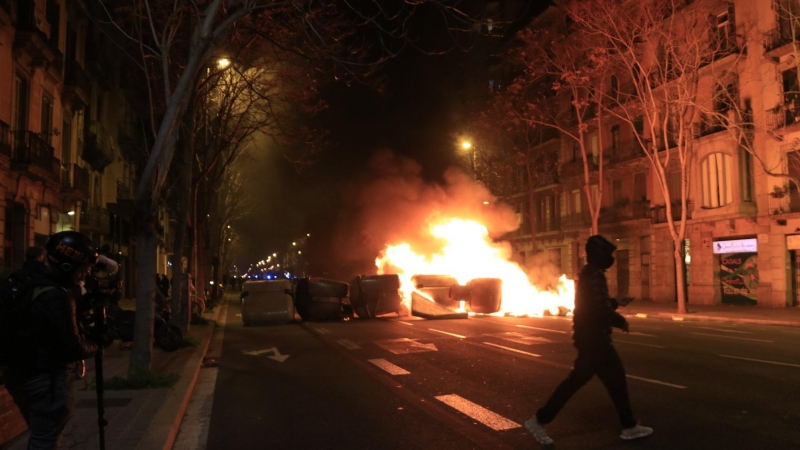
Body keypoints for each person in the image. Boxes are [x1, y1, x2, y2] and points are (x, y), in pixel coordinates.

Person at [524, 235, 653, 445]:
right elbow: (597, 309)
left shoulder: (590, 273)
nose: (611, 258)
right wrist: (620, 320)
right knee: (584, 382)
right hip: (594, 340)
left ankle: (629, 425)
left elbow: (594, 303)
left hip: (592, 338)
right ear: (599, 255)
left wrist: (615, 302)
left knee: (611, 381)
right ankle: (539, 420)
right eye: (608, 254)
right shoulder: (594, 275)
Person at [2, 232, 102, 450]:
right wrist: (96, 344)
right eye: (81, 270)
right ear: (67, 267)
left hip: (17, 374)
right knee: (45, 441)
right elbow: (72, 347)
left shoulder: (23, 279)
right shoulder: (55, 295)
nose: (81, 277)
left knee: (40, 436)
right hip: (45, 379)